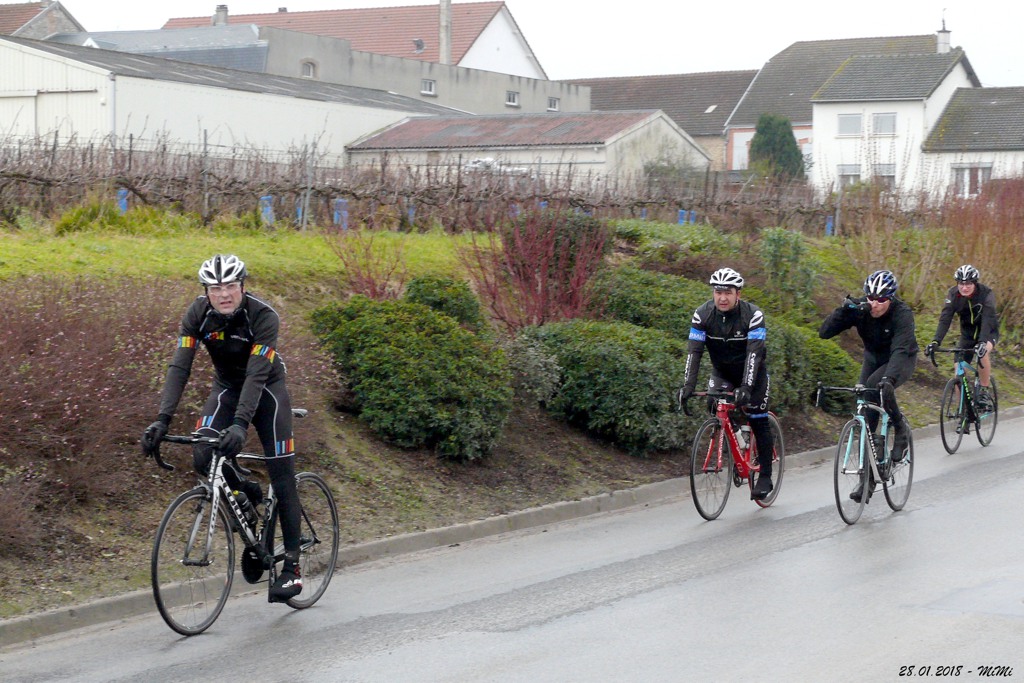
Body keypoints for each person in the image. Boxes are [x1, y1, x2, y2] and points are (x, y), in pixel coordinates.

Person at [141, 254, 303, 602]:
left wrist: (240, 425)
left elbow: (257, 374)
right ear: (206, 291)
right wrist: (162, 419)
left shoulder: (263, 316)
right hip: (227, 389)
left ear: (242, 286)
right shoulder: (197, 314)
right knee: (203, 453)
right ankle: (245, 494)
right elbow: (180, 366)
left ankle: (292, 568)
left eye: (230, 286)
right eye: (215, 288)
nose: (224, 294)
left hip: (267, 392)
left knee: (282, 476)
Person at [819, 269, 917, 503]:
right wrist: (845, 310)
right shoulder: (862, 308)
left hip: (901, 359)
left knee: (877, 386)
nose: (874, 304)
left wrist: (889, 378)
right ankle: (868, 479)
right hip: (873, 358)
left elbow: (900, 350)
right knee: (864, 407)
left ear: (890, 298)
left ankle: (900, 427)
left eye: (881, 300)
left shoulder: (902, 314)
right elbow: (824, 333)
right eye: (871, 298)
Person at [678, 267, 776, 500]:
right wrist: (688, 386)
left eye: (728, 292)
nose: (722, 298)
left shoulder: (753, 315)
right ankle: (734, 435)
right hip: (722, 371)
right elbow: (694, 352)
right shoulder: (702, 315)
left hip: (753, 373)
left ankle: (765, 476)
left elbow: (754, 354)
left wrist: (746, 387)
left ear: (738, 294)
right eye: (718, 292)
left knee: (757, 418)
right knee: (714, 404)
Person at [924, 264, 998, 411]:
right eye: (961, 284)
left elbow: (988, 319)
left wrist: (982, 342)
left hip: (988, 332)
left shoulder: (986, 293)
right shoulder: (953, 295)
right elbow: (945, 319)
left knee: (982, 353)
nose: (964, 288)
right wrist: (936, 341)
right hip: (967, 336)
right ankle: (962, 411)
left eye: (968, 284)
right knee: (958, 370)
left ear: (975, 283)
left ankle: (984, 390)